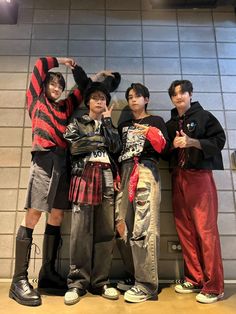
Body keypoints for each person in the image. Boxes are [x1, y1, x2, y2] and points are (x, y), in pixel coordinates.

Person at [8, 56, 114, 306]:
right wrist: (60, 61)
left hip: (63, 162)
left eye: (59, 86)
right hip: (43, 159)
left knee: (56, 216)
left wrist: (97, 78)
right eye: (52, 84)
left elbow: (83, 91)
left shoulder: (65, 108)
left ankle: (47, 273)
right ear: (45, 86)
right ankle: (18, 279)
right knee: (33, 214)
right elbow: (38, 66)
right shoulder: (36, 101)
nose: (56, 88)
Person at [165, 79, 225, 304]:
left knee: (206, 230)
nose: (179, 97)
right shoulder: (171, 123)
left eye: (182, 93)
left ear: (190, 94)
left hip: (199, 176)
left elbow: (219, 140)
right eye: (175, 94)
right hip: (177, 176)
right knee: (185, 230)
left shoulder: (204, 116)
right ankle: (195, 277)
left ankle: (215, 286)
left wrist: (192, 142)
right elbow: (166, 151)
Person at [63, 81, 122, 305]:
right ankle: (77, 283)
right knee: (80, 232)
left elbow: (116, 147)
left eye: (103, 98)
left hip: (106, 175)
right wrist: (99, 139)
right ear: (88, 101)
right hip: (84, 174)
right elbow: (74, 148)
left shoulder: (109, 124)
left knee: (106, 231)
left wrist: (107, 123)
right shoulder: (77, 123)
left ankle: (101, 282)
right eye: (96, 97)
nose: (100, 101)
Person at [115, 83, 170, 303]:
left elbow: (165, 150)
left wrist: (152, 133)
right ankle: (135, 275)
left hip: (146, 169)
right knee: (120, 224)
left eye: (138, 96)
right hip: (125, 171)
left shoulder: (155, 121)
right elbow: (117, 149)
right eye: (130, 97)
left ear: (146, 99)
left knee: (144, 227)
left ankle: (146, 285)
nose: (133, 100)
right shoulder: (124, 125)